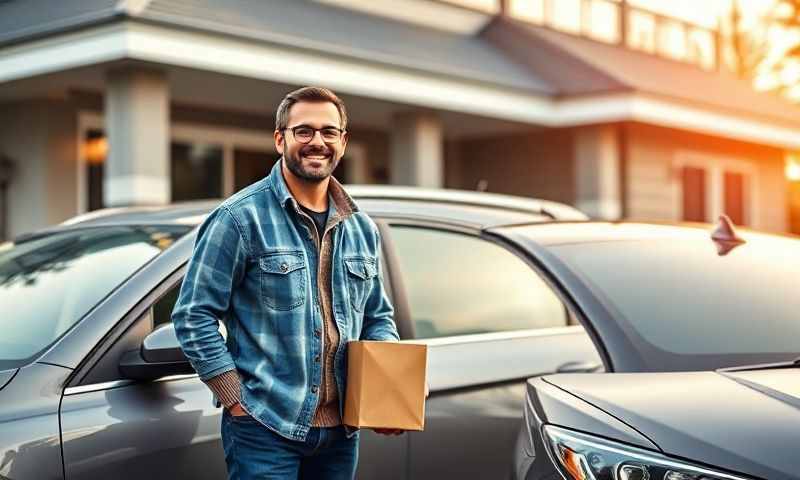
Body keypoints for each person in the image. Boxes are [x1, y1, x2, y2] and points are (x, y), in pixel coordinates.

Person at [172, 86, 403, 480]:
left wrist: (388, 388)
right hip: (264, 428)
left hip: (341, 435)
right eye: (304, 131)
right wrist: (235, 400)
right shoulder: (238, 219)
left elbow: (377, 317)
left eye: (329, 132)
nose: (318, 142)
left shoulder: (361, 228)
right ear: (280, 139)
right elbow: (193, 315)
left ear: (343, 143)